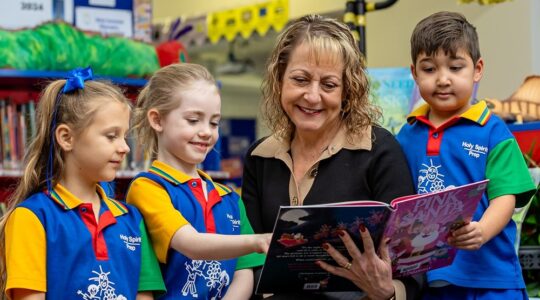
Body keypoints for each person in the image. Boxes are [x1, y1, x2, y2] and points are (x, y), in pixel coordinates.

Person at [242, 14, 423, 300]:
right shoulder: (260, 157)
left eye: (328, 85)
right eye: (300, 79)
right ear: (279, 79)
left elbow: (413, 266)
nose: (312, 97)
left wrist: (387, 293)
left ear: (347, 91)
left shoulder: (378, 151)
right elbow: (247, 260)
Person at [396, 11, 536, 300]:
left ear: (477, 69)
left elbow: (506, 196)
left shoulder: (493, 132)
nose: (443, 79)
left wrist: (483, 230)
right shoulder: (405, 136)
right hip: (426, 278)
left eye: (455, 67)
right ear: (414, 73)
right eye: (429, 69)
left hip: (490, 278)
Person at [0, 67, 165, 299]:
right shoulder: (32, 218)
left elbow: (144, 295)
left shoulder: (133, 220)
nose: (125, 147)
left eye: (124, 136)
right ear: (67, 138)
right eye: (111, 136)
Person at [126, 63, 271, 300]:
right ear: (157, 120)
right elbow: (191, 243)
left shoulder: (230, 198)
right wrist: (258, 240)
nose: (206, 131)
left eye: (214, 123)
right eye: (193, 120)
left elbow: (244, 272)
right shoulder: (148, 188)